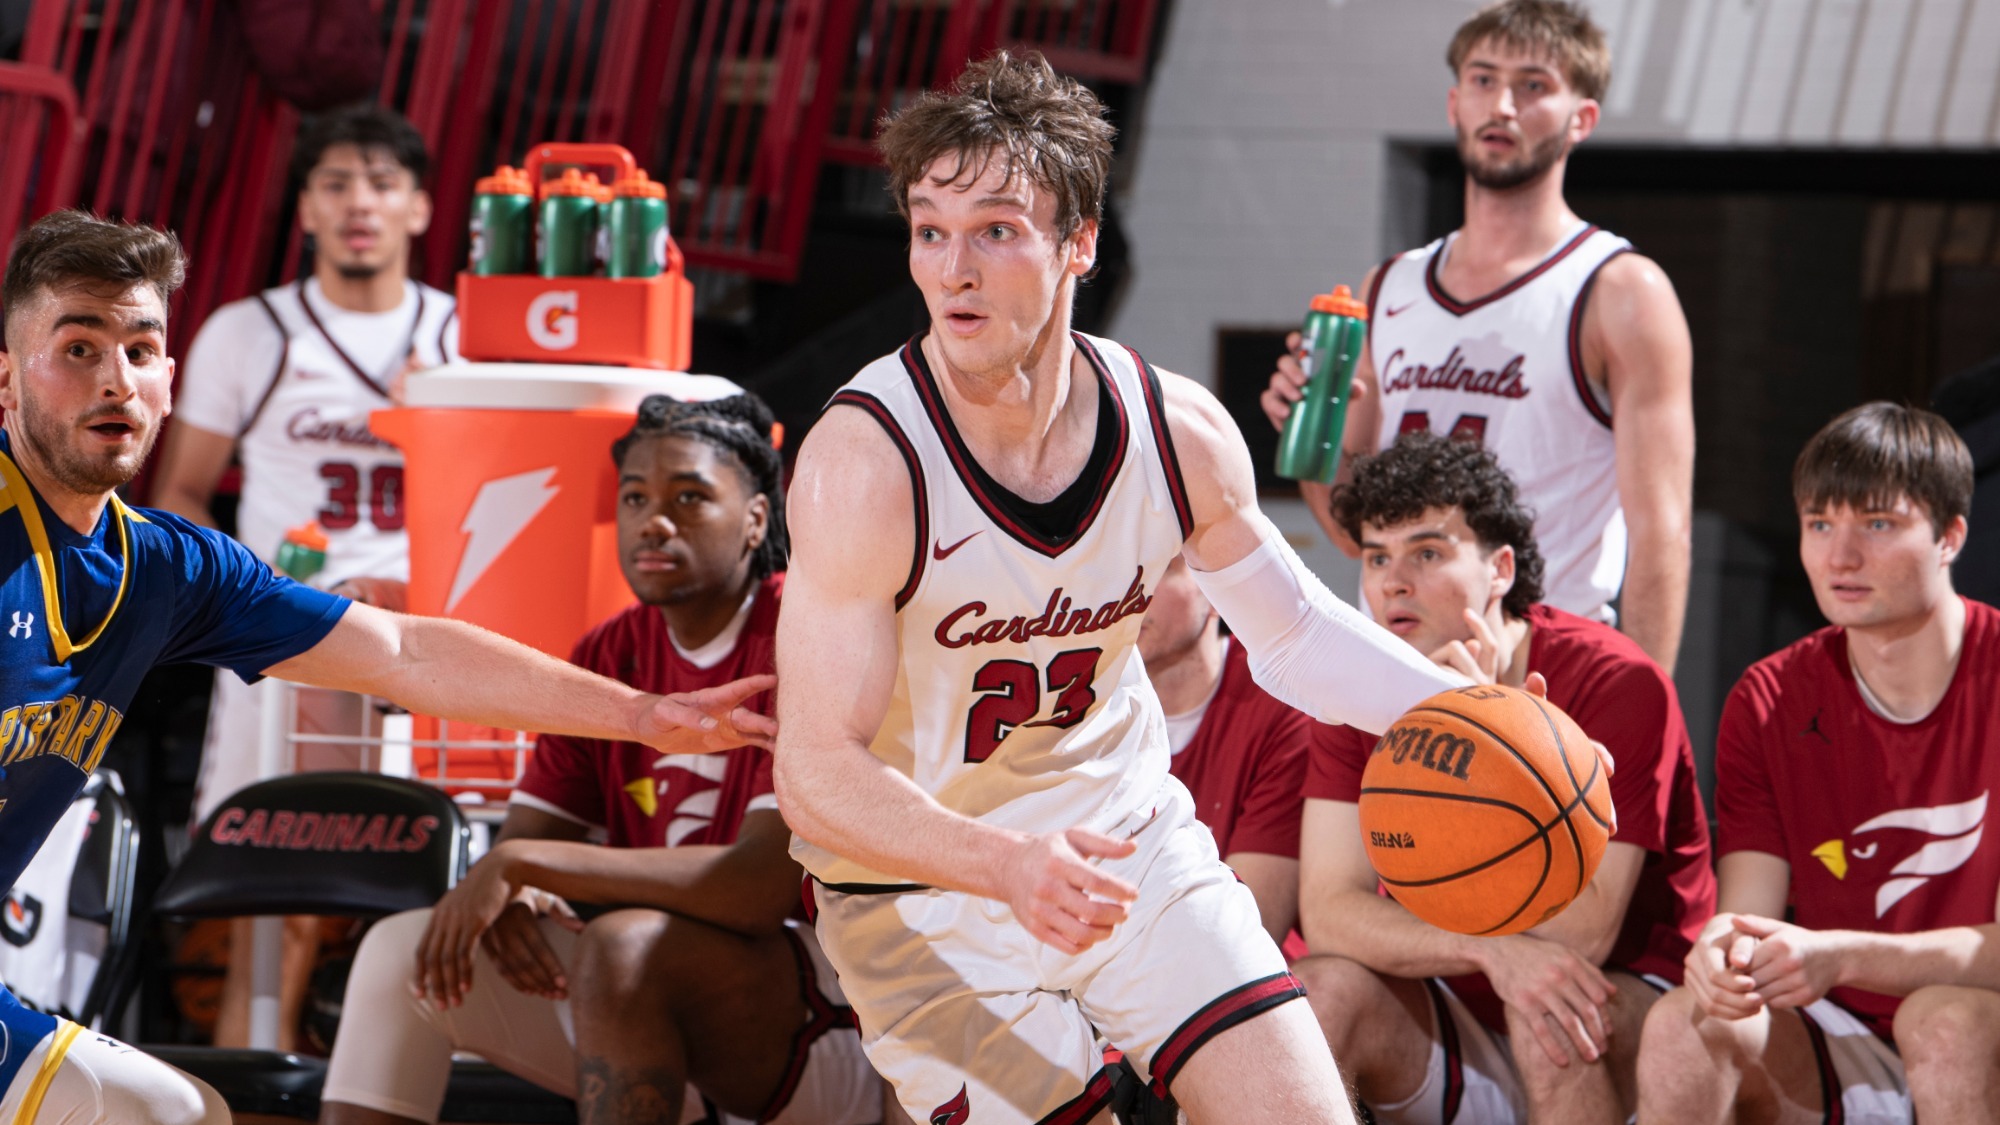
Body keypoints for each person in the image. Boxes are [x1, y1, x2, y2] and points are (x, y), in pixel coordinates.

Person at [774, 51, 1482, 1125]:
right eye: (930, 231)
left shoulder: (1176, 429)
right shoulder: (864, 461)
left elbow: (1293, 635)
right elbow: (816, 771)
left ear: (1080, 244)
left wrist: (1474, 714)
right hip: (922, 892)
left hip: (1127, 848)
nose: (953, 270)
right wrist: (1003, 863)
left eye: (996, 230)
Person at [0, 209, 769, 1123]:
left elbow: (407, 653)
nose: (115, 379)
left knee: (177, 1113)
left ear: (169, 381)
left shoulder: (170, 566)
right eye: (78, 349)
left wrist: (643, 715)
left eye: (139, 349)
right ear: (6, 377)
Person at [319, 393, 879, 1125]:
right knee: (402, 952)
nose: (655, 521)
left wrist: (525, 867)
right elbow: (529, 842)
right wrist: (516, 889)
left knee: (624, 947)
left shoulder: (804, 635)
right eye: (636, 497)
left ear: (755, 520)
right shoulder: (609, 652)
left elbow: (755, 889)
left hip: (826, 1017)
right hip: (641, 998)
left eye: (689, 497)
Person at [1260, 0, 1694, 674]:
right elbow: (1354, 530)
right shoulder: (1389, 285)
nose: (1503, 105)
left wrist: (1643, 703)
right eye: (1484, 80)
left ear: (1582, 119)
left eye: (1533, 85)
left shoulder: (1620, 289)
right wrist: (1309, 432)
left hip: (1547, 664)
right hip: (1397, 662)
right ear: (1454, 102)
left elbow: (1663, 534)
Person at [1294, 432, 1713, 1125]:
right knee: (1315, 997)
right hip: (1460, 993)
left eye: (1428, 552)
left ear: (1501, 569)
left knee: (1549, 1009)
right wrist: (1487, 950)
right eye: (1377, 556)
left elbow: (1585, 932)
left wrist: (1492, 734)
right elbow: (1330, 912)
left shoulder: (1619, 682)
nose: (1394, 582)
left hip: (1629, 993)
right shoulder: (1356, 690)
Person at [151, 104, 456, 1049]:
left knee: (428, 874)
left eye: (382, 184)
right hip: (287, 628)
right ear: (308, 209)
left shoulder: (461, 337)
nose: (359, 203)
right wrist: (248, 595)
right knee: (268, 873)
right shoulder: (248, 331)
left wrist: (437, 425)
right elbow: (180, 494)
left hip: (422, 635)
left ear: (419, 207)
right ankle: (256, 1071)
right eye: (335, 184)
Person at [1638, 403, 2000, 1125]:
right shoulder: (1769, 698)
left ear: (1951, 536)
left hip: (1978, 1022)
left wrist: (1843, 955)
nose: (1841, 557)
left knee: (1943, 1023)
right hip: (1837, 1027)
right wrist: (1721, 951)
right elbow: (1747, 914)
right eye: (1820, 524)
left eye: (1878, 524)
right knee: (1684, 1024)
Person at [1138, 557, 1311, 946]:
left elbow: (1245, 931)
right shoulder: (1067, 705)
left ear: (1220, 592)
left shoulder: (1284, 705)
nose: (1126, 587)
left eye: (1158, 565)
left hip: (1236, 971)